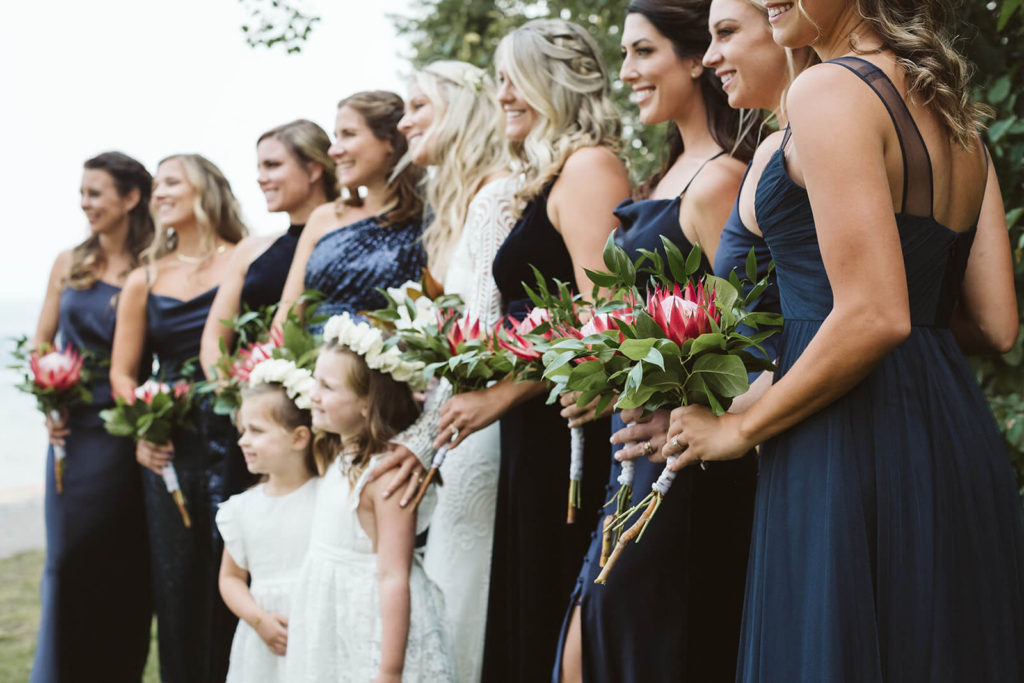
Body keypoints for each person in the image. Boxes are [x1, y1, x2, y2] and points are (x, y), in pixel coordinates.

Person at [664, 0, 1024, 680]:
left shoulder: (828, 89)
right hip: (950, 432)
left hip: (844, 439)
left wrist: (741, 430)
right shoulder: (957, 116)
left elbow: (874, 315)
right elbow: (996, 323)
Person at [552, 1, 760, 681]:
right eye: (624, 55)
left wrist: (680, 399)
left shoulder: (722, 179)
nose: (628, 71)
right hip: (629, 448)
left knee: (635, 640)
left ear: (695, 57)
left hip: (681, 459)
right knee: (589, 637)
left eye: (644, 52)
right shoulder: (659, 178)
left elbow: (751, 334)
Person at [426, 19, 630, 682]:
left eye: (516, 78)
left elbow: (608, 319)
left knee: (548, 604)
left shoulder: (592, 167)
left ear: (556, 82)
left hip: (567, 425)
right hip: (532, 426)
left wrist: (504, 391)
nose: (504, 94)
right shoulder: (541, 176)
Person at [397, 60, 515, 682]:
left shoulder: (498, 195)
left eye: (418, 105)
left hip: (474, 429)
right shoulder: (451, 208)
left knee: (459, 592)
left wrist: (419, 447)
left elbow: (484, 343)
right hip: (447, 424)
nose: (404, 119)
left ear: (462, 111)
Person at [110, 153, 247, 683]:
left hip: (236, 437)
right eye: (156, 185)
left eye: (172, 182)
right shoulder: (144, 278)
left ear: (204, 190)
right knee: (177, 583)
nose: (158, 193)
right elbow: (124, 375)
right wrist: (146, 427)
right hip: (171, 447)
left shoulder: (243, 259)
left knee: (236, 568)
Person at [29, 152, 154, 683]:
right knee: (66, 562)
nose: (86, 203)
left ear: (130, 199)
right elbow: (41, 342)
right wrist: (49, 401)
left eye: (96, 193)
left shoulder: (151, 266)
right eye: (82, 193)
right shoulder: (68, 262)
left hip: (125, 435)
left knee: (120, 565)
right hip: (71, 436)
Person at [285, 314, 456, 682]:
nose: (313, 394)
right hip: (332, 624)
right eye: (315, 381)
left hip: (370, 630)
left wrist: (390, 671)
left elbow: (395, 575)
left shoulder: (385, 477)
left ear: (367, 403)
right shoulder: (338, 454)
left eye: (327, 387)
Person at [199, 119, 337, 500]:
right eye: (260, 167)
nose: (261, 178)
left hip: (327, 411)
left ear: (313, 169)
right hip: (254, 412)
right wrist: (236, 395)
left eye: (273, 165)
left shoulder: (344, 241)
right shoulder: (251, 250)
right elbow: (213, 338)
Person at [273, 91, 425, 334]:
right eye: (336, 137)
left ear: (389, 141)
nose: (334, 151)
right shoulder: (324, 217)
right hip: (310, 362)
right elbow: (287, 317)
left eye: (348, 135)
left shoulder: (427, 220)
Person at [217, 364, 318, 683]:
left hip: (316, 630)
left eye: (256, 431)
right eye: (243, 431)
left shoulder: (326, 496)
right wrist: (258, 620)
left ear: (299, 437)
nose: (243, 442)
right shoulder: (242, 509)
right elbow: (231, 579)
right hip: (265, 641)